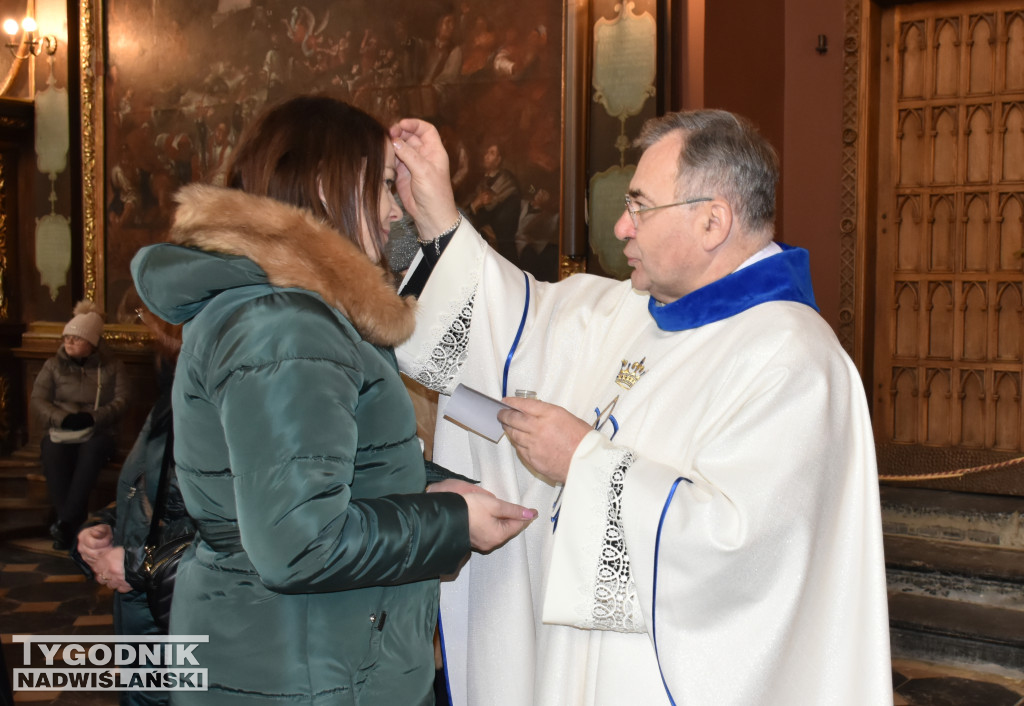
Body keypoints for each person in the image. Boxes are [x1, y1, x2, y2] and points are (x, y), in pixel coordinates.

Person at [390, 109, 892, 705]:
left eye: (641, 207)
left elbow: (735, 560)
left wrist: (583, 462)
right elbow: (512, 329)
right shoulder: (626, 314)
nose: (622, 228)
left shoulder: (793, 363)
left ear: (713, 221)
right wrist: (438, 217)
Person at [130, 95, 536, 705]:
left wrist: (428, 486)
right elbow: (300, 544)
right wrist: (452, 523)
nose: (392, 211)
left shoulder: (279, 310)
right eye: (379, 186)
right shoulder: (286, 324)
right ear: (325, 183)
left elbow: (316, 467)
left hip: (295, 657)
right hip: (308, 673)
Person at [75, 305, 190, 706]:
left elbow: (238, 538)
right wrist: (103, 528)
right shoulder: (172, 402)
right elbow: (149, 494)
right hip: (146, 619)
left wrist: (138, 564)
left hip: (181, 626)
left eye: (149, 316)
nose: (145, 330)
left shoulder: (212, 406)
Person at [31, 300, 130, 551]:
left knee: (93, 452)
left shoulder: (112, 367)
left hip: (97, 432)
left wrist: (94, 418)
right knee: (52, 451)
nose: (69, 342)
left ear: (92, 342)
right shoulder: (52, 366)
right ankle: (70, 522)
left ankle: (65, 523)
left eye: (76, 338)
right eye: (67, 338)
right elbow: (38, 399)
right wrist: (61, 418)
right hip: (61, 430)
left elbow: (123, 400)